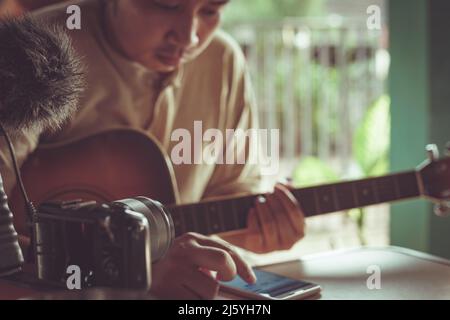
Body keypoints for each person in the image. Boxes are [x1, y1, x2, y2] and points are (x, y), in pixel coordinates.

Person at [0, 0, 306, 299]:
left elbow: (230, 192)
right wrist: (130, 275)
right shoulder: (35, 51)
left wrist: (255, 231)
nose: (189, 36)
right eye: (167, 6)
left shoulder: (222, 61)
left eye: (211, 10)